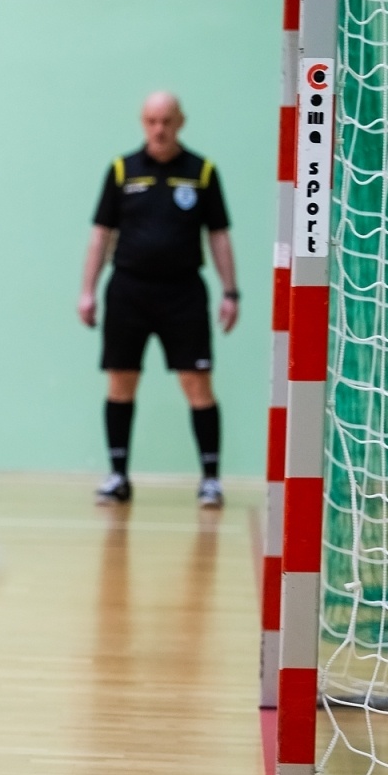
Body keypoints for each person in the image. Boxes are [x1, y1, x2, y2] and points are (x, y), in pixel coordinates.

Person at [76, 92, 239, 508]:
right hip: (128, 290)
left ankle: (210, 480)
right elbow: (101, 235)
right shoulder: (121, 170)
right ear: (142, 122)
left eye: (166, 121)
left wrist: (230, 291)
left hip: (183, 293)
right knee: (121, 380)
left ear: (180, 122)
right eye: (151, 121)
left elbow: (219, 235)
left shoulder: (202, 172)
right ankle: (118, 476)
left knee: (196, 382)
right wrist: (87, 291)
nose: (159, 129)